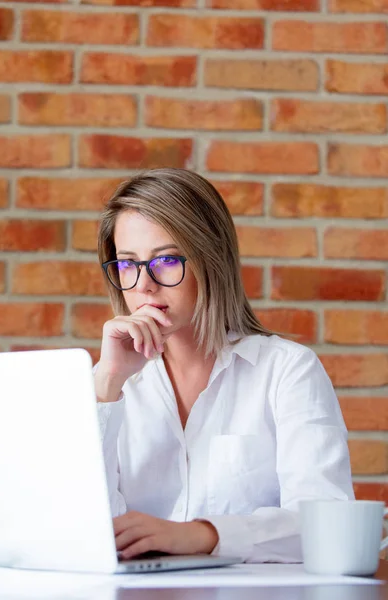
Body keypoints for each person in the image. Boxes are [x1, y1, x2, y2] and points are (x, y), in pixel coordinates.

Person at [94, 168, 354, 564]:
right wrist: (108, 384)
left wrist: (201, 535)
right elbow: (78, 527)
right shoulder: (111, 384)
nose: (143, 285)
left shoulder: (286, 371)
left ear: (210, 260)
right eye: (128, 264)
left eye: (165, 259)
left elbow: (326, 523)